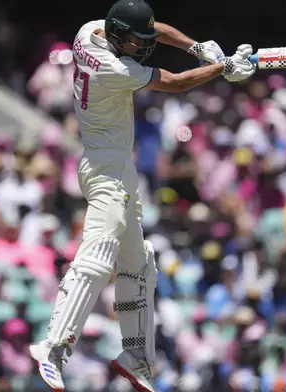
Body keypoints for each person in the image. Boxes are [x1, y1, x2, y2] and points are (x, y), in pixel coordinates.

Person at [27, 1, 256, 391]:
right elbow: (178, 83)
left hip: (116, 167)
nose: (141, 46)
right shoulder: (115, 69)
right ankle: (52, 346)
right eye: (134, 41)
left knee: (138, 264)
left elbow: (156, 29)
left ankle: (135, 357)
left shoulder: (90, 31)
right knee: (99, 254)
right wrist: (224, 69)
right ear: (117, 36)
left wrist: (199, 47)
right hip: (104, 170)